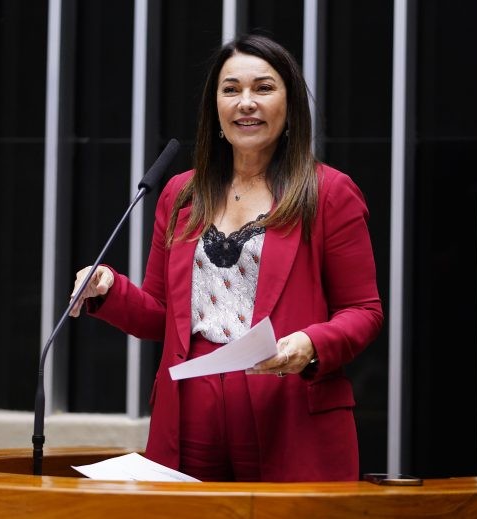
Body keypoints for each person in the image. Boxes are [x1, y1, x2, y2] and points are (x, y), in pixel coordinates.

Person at [70, 34, 383, 482]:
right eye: (231, 89)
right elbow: (160, 315)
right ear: (215, 108)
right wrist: (109, 289)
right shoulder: (182, 193)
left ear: (290, 105)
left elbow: (364, 311)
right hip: (189, 408)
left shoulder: (328, 193)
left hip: (285, 401)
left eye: (264, 88)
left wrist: (310, 345)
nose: (246, 102)